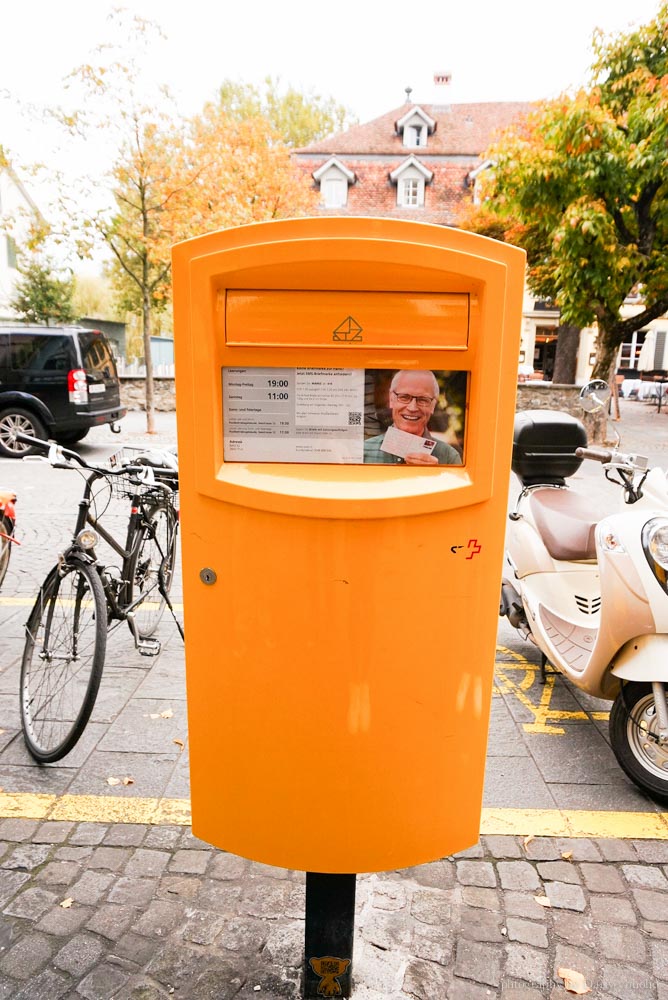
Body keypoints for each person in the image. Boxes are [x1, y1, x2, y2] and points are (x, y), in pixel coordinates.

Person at [363, 370, 462, 465]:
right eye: (404, 397)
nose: (412, 408)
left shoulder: (449, 457)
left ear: (433, 405)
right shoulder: (363, 452)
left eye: (423, 399)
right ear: (391, 399)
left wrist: (435, 475)